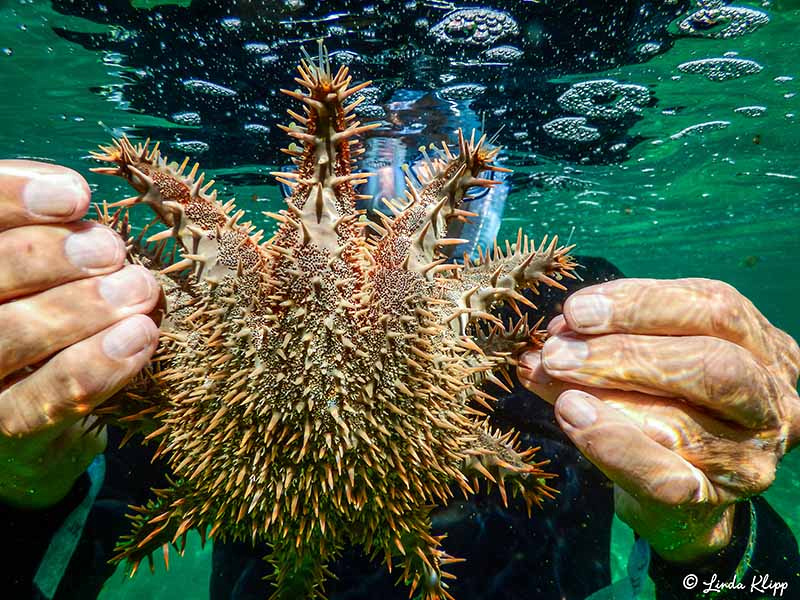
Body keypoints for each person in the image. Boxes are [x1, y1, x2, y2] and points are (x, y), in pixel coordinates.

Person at [1, 157, 799, 600]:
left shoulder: (580, 320)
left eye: (442, 142)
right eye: (383, 147)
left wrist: (712, 543)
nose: (408, 174)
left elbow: (762, 593)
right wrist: (22, 489)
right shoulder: (152, 350)